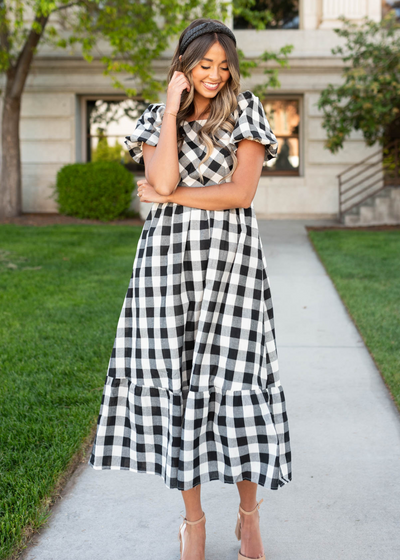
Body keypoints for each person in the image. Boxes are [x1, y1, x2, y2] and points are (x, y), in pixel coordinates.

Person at [88, 17, 292, 560]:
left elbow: (240, 193)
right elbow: (159, 180)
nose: (216, 75)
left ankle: (249, 516)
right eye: (205, 66)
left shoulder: (245, 109)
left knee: (239, 380)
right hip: (166, 269)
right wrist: (172, 110)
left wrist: (174, 196)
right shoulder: (156, 119)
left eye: (224, 67)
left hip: (232, 265)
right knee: (180, 387)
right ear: (183, 65)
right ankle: (193, 522)